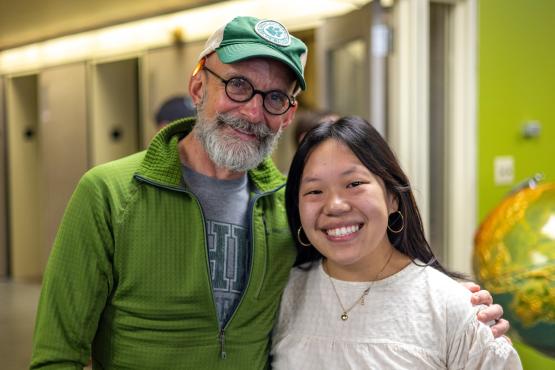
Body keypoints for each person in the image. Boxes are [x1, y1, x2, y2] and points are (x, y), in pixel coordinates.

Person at [30, 16, 508, 369]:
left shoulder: (292, 206)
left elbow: (354, 274)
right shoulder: (110, 194)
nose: (254, 112)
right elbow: (57, 355)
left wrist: (449, 307)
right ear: (198, 86)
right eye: (238, 85)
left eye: (275, 97)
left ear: (287, 112)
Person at [272, 116, 521, 369]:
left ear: (392, 197)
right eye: (314, 191)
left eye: (354, 184)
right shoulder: (280, 295)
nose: (335, 205)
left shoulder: (453, 308)